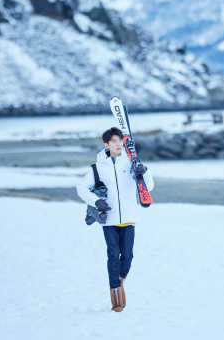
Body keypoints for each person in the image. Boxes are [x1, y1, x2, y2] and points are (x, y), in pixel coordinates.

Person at [76, 127, 155, 312]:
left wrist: (144, 172)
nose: (118, 144)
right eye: (114, 141)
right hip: (109, 220)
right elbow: (81, 188)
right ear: (106, 145)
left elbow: (148, 187)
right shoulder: (97, 168)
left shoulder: (131, 163)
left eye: (120, 140)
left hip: (128, 218)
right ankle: (115, 293)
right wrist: (96, 201)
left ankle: (119, 280)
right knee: (113, 255)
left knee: (127, 256)